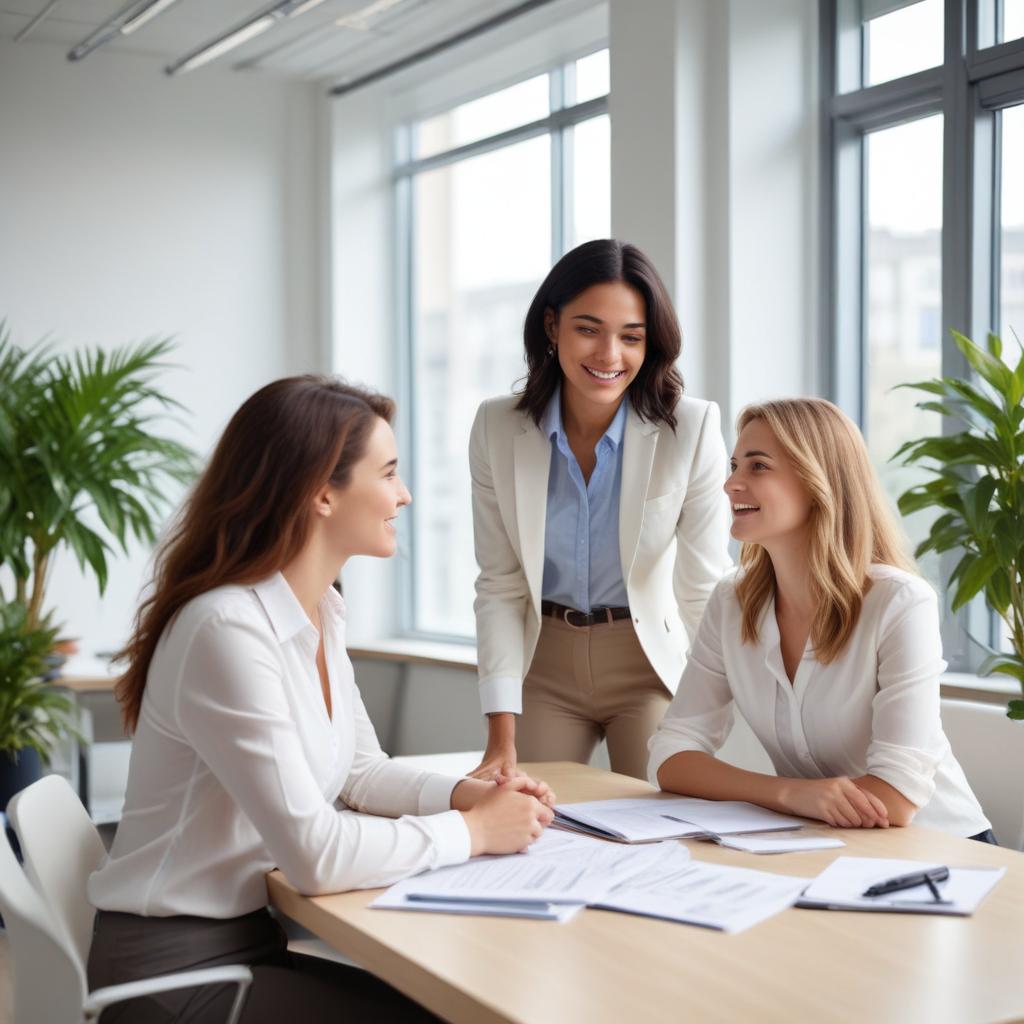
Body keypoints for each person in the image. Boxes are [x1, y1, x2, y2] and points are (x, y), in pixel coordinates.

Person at [88, 376, 555, 1024]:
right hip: (171, 978)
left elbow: (360, 771)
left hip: (245, 945)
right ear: (321, 493)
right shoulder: (226, 629)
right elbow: (314, 855)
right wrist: (474, 832)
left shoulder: (320, 613)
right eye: (389, 473)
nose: (405, 494)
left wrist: (464, 796)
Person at [648, 397, 994, 840]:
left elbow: (897, 796)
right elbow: (671, 755)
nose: (730, 483)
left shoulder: (900, 602)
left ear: (818, 482)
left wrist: (795, 800)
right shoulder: (731, 600)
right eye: (735, 465)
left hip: (941, 851)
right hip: (815, 839)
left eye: (757, 467)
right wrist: (791, 794)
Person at [469, 239, 733, 783]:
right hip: (545, 661)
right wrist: (500, 734)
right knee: (533, 825)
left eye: (631, 337)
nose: (609, 355)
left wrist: (710, 712)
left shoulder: (690, 428)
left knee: (659, 830)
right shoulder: (497, 427)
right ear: (552, 327)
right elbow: (499, 585)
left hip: (646, 663)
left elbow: (703, 586)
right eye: (588, 329)